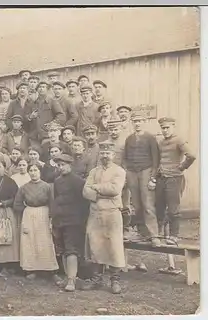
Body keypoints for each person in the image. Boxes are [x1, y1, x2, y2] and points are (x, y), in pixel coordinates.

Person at [82, 141, 127, 294]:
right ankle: (97, 279)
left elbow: (114, 189)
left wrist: (96, 188)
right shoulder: (94, 171)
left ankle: (115, 280)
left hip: (112, 213)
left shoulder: (119, 171)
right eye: (102, 153)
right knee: (96, 245)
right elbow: (85, 191)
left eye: (108, 153)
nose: (105, 156)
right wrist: (100, 193)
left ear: (113, 155)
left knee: (114, 246)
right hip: (95, 213)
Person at [13, 163, 58, 280]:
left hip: (43, 213)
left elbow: (52, 203)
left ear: (40, 172)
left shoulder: (47, 187)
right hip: (29, 214)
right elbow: (17, 204)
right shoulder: (24, 187)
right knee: (29, 241)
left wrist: (50, 217)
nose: (33, 173)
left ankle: (48, 269)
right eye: (31, 171)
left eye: (35, 170)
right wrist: (27, 211)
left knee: (44, 240)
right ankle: (30, 269)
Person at [156, 117, 196, 245]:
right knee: (159, 207)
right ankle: (159, 233)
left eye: (167, 127)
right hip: (162, 178)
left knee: (173, 208)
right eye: (163, 128)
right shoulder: (161, 142)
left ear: (173, 126)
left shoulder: (179, 140)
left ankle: (174, 235)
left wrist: (181, 167)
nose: (165, 130)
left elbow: (192, 155)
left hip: (174, 179)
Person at [51, 154, 88, 292]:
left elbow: (84, 204)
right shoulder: (57, 181)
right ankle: (68, 277)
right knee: (64, 249)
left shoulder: (78, 181)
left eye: (63, 165)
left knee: (71, 248)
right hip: (60, 219)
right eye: (59, 165)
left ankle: (72, 280)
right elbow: (56, 199)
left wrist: (81, 220)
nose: (61, 168)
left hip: (74, 220)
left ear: (70, 165)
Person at [123, 114, 160, 246]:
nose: (137, 123)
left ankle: (154, 235)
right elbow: (125, 158)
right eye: (135, 121)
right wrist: (127, 172)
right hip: (132, 172)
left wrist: (153, 178)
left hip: (146, 171)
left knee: (148, 204)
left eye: (139, 121)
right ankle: (141, 233)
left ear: (144, 121)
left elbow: (156, 160)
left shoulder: (150, 138)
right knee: (137, 205)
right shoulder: (129, 139)